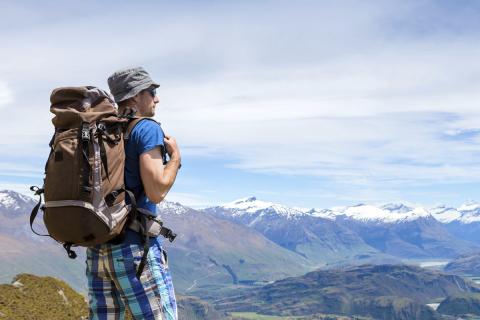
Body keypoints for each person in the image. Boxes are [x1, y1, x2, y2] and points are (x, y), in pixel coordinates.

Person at [86, 67, 181, 320]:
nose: (157, 98)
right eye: (152, 92)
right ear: (136, 95)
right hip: (134, 250)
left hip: (97, 249)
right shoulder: (146, 128)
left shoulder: (99, 129)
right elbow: (156, 190)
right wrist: (175, 159)